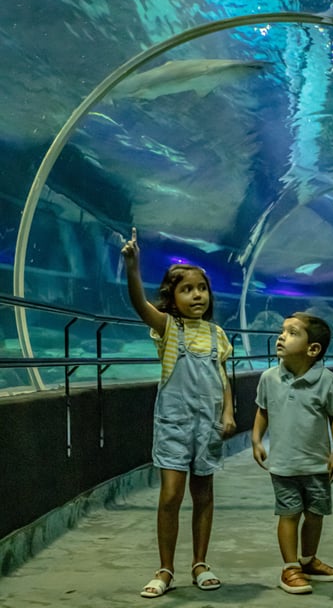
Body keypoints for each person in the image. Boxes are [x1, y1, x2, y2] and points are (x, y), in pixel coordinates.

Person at [121, 228, 236, 598]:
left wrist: (228, 413)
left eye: (202, 288)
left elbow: (222, 376)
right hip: (175, 424)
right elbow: (140, 306)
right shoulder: (169, 328)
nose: (197, 295)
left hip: (208, 424)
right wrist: (133, 268)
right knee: (171, 494)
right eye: (187, 289)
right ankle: (165, 568)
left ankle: (200, 563)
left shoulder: (217, 334)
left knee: (204, 494)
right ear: (172, 297)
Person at [252, 312, 333, 595]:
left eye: (292, 333)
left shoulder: (326, 379)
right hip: (283, 465)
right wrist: (256, 439)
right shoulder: (269, 378)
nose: (281, 337)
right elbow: (263, 410)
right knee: (289, 514)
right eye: (282, 331)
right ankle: (290, 566)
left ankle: (308, 560)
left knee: (316, 514)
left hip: (317, 465)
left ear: (313, 349)